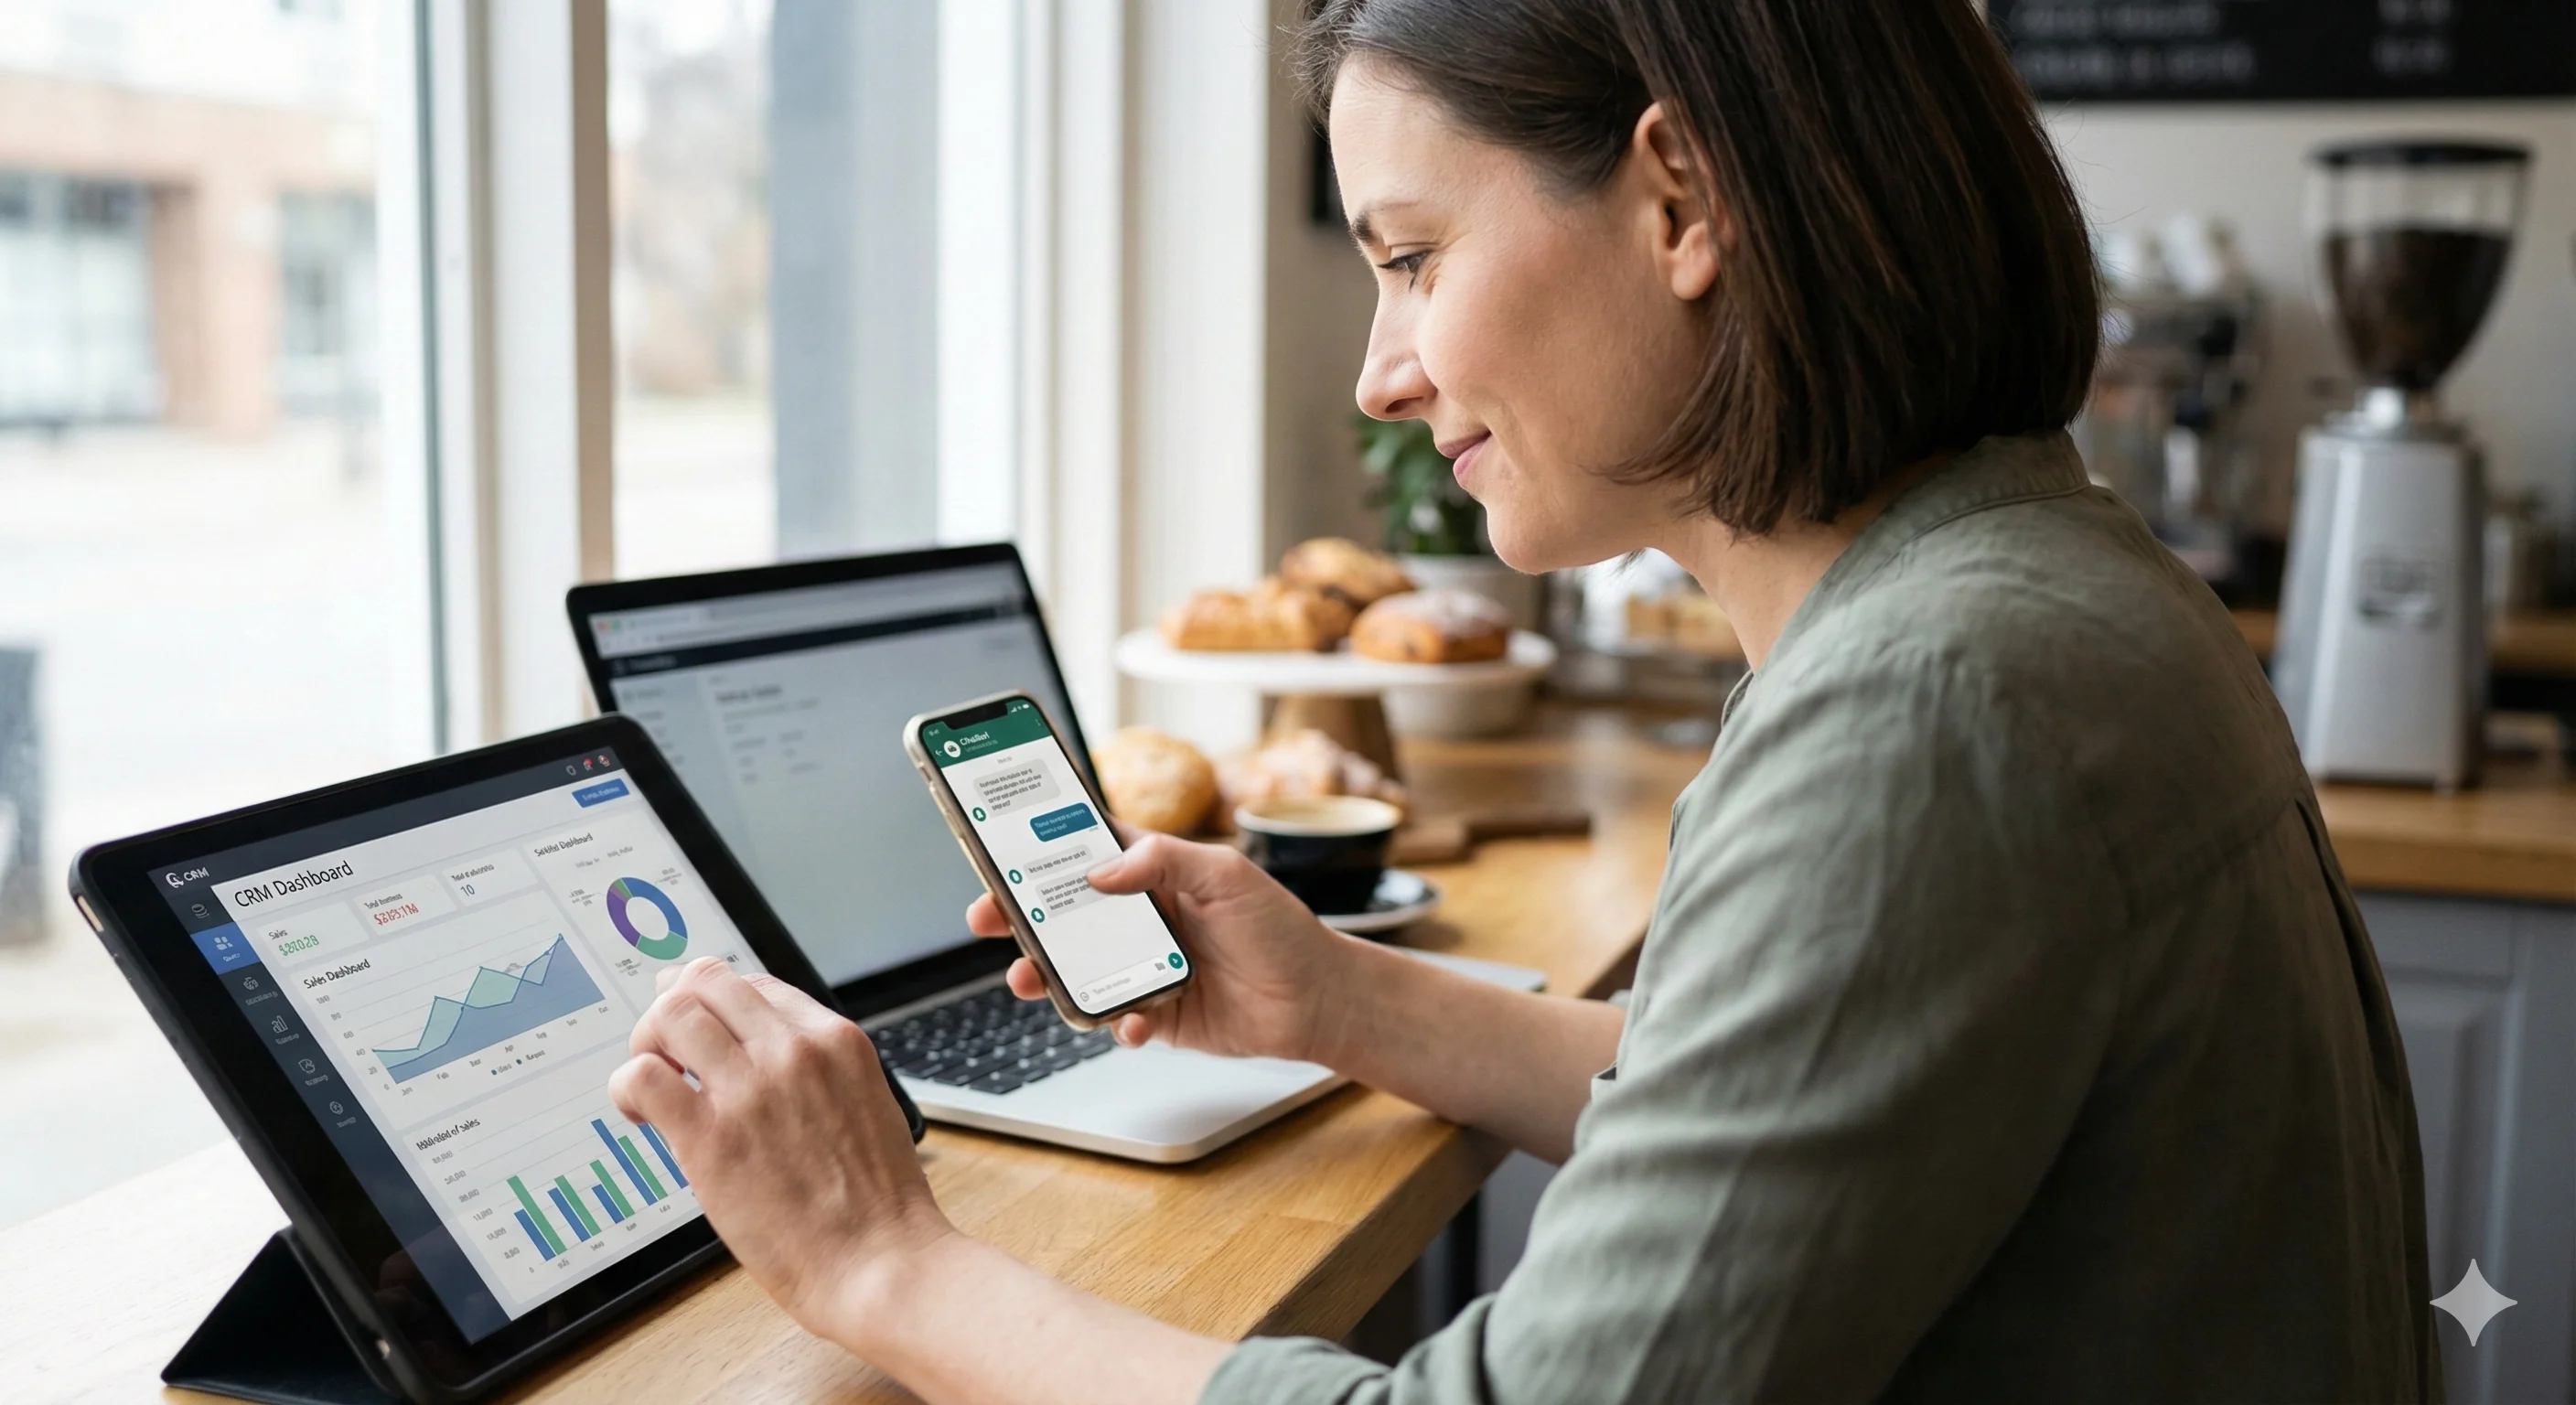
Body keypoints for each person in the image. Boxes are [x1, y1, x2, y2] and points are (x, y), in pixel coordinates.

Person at [607, 0, 2437, 1399]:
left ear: (1679, 197)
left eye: (1410, 259)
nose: (1386, 377)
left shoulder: (1937, 704)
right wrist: (1335, 996)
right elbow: (1756, 1104)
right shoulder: (2040, 579)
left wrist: (886, 1274)